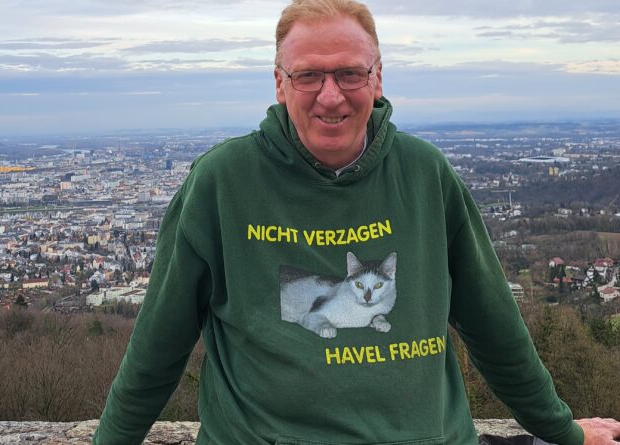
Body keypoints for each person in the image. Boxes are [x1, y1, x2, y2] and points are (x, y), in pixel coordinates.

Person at [94, 1, 620, 444]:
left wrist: (560, 429)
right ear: (280, 84)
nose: (331, 95)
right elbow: (158, 345)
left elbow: (493, 322)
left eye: (349, 73)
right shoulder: (222, 182)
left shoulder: (425, 174)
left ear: (377, 79)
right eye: (308, 75)